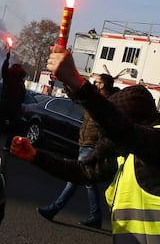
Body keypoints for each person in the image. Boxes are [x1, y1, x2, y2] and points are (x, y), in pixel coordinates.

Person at [10, 44, 160, 243]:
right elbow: (84, 172)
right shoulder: (128, 153)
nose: (107, 137)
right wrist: (35, 156)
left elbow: (124, 131)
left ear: (135, 121)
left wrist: (79, 83)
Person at [37, 73, 117, 228]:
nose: (94, 84)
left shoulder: (105, 103)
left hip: (92, 146)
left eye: (97, 82)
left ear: (102, 85)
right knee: (88, 183)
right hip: (86, 144)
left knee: (75, 178)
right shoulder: (96, 100)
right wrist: (67, 82)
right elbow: (77, 98)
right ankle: (96, 216)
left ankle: (54, 209)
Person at [0, 51, 27, 150]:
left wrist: (7, 59)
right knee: (13, 127)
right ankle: (7, 145)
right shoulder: (21, 83)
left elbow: (3, 70)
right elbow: (22, 97)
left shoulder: (8, 77)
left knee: (0, 123)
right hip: (15, 107)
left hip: (4, 104)